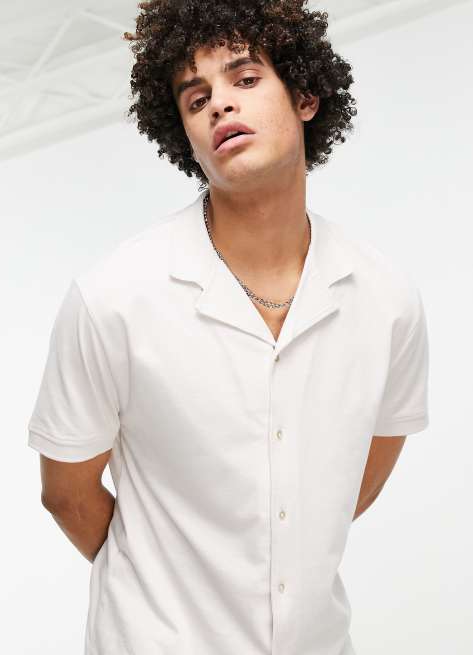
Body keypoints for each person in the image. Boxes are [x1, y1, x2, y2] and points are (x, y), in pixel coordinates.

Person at [28, 1, 430, 654]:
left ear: (304, 96)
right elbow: (66, 493)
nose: (219, 103)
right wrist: (160, 583)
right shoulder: (114, 298)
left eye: (244, 78)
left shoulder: (386, 299)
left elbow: (364, 470)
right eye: (196, 99)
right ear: (185, 138)